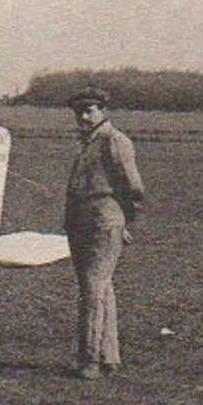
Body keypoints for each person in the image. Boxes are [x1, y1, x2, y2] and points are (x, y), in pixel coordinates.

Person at [63, 86, 145, 380]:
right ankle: (108, 356)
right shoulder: (89, 142)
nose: (83, 117)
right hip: (81, 222)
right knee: (101, 288)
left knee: (93, 290)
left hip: (101, 222)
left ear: (103, 111)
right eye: (79, 112)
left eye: (90, 110)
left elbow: (134, 187)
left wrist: (123, 221)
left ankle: (90, 360)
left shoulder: (114, 141)